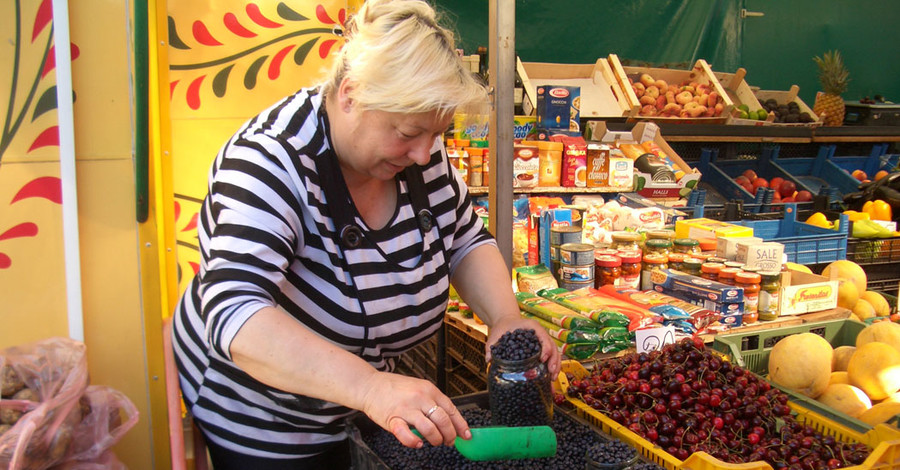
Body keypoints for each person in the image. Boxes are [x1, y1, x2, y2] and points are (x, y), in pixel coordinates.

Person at [171, 0, 560, 468]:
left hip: (356, 406)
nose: (423, 155)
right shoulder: (268, 162)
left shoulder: (418, 152)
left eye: (434, 135)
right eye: (407, 133)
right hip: (263, 414)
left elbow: (463, 240)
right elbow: (237, 313)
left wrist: (503, 317)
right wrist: (370, 387)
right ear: (351, 94)